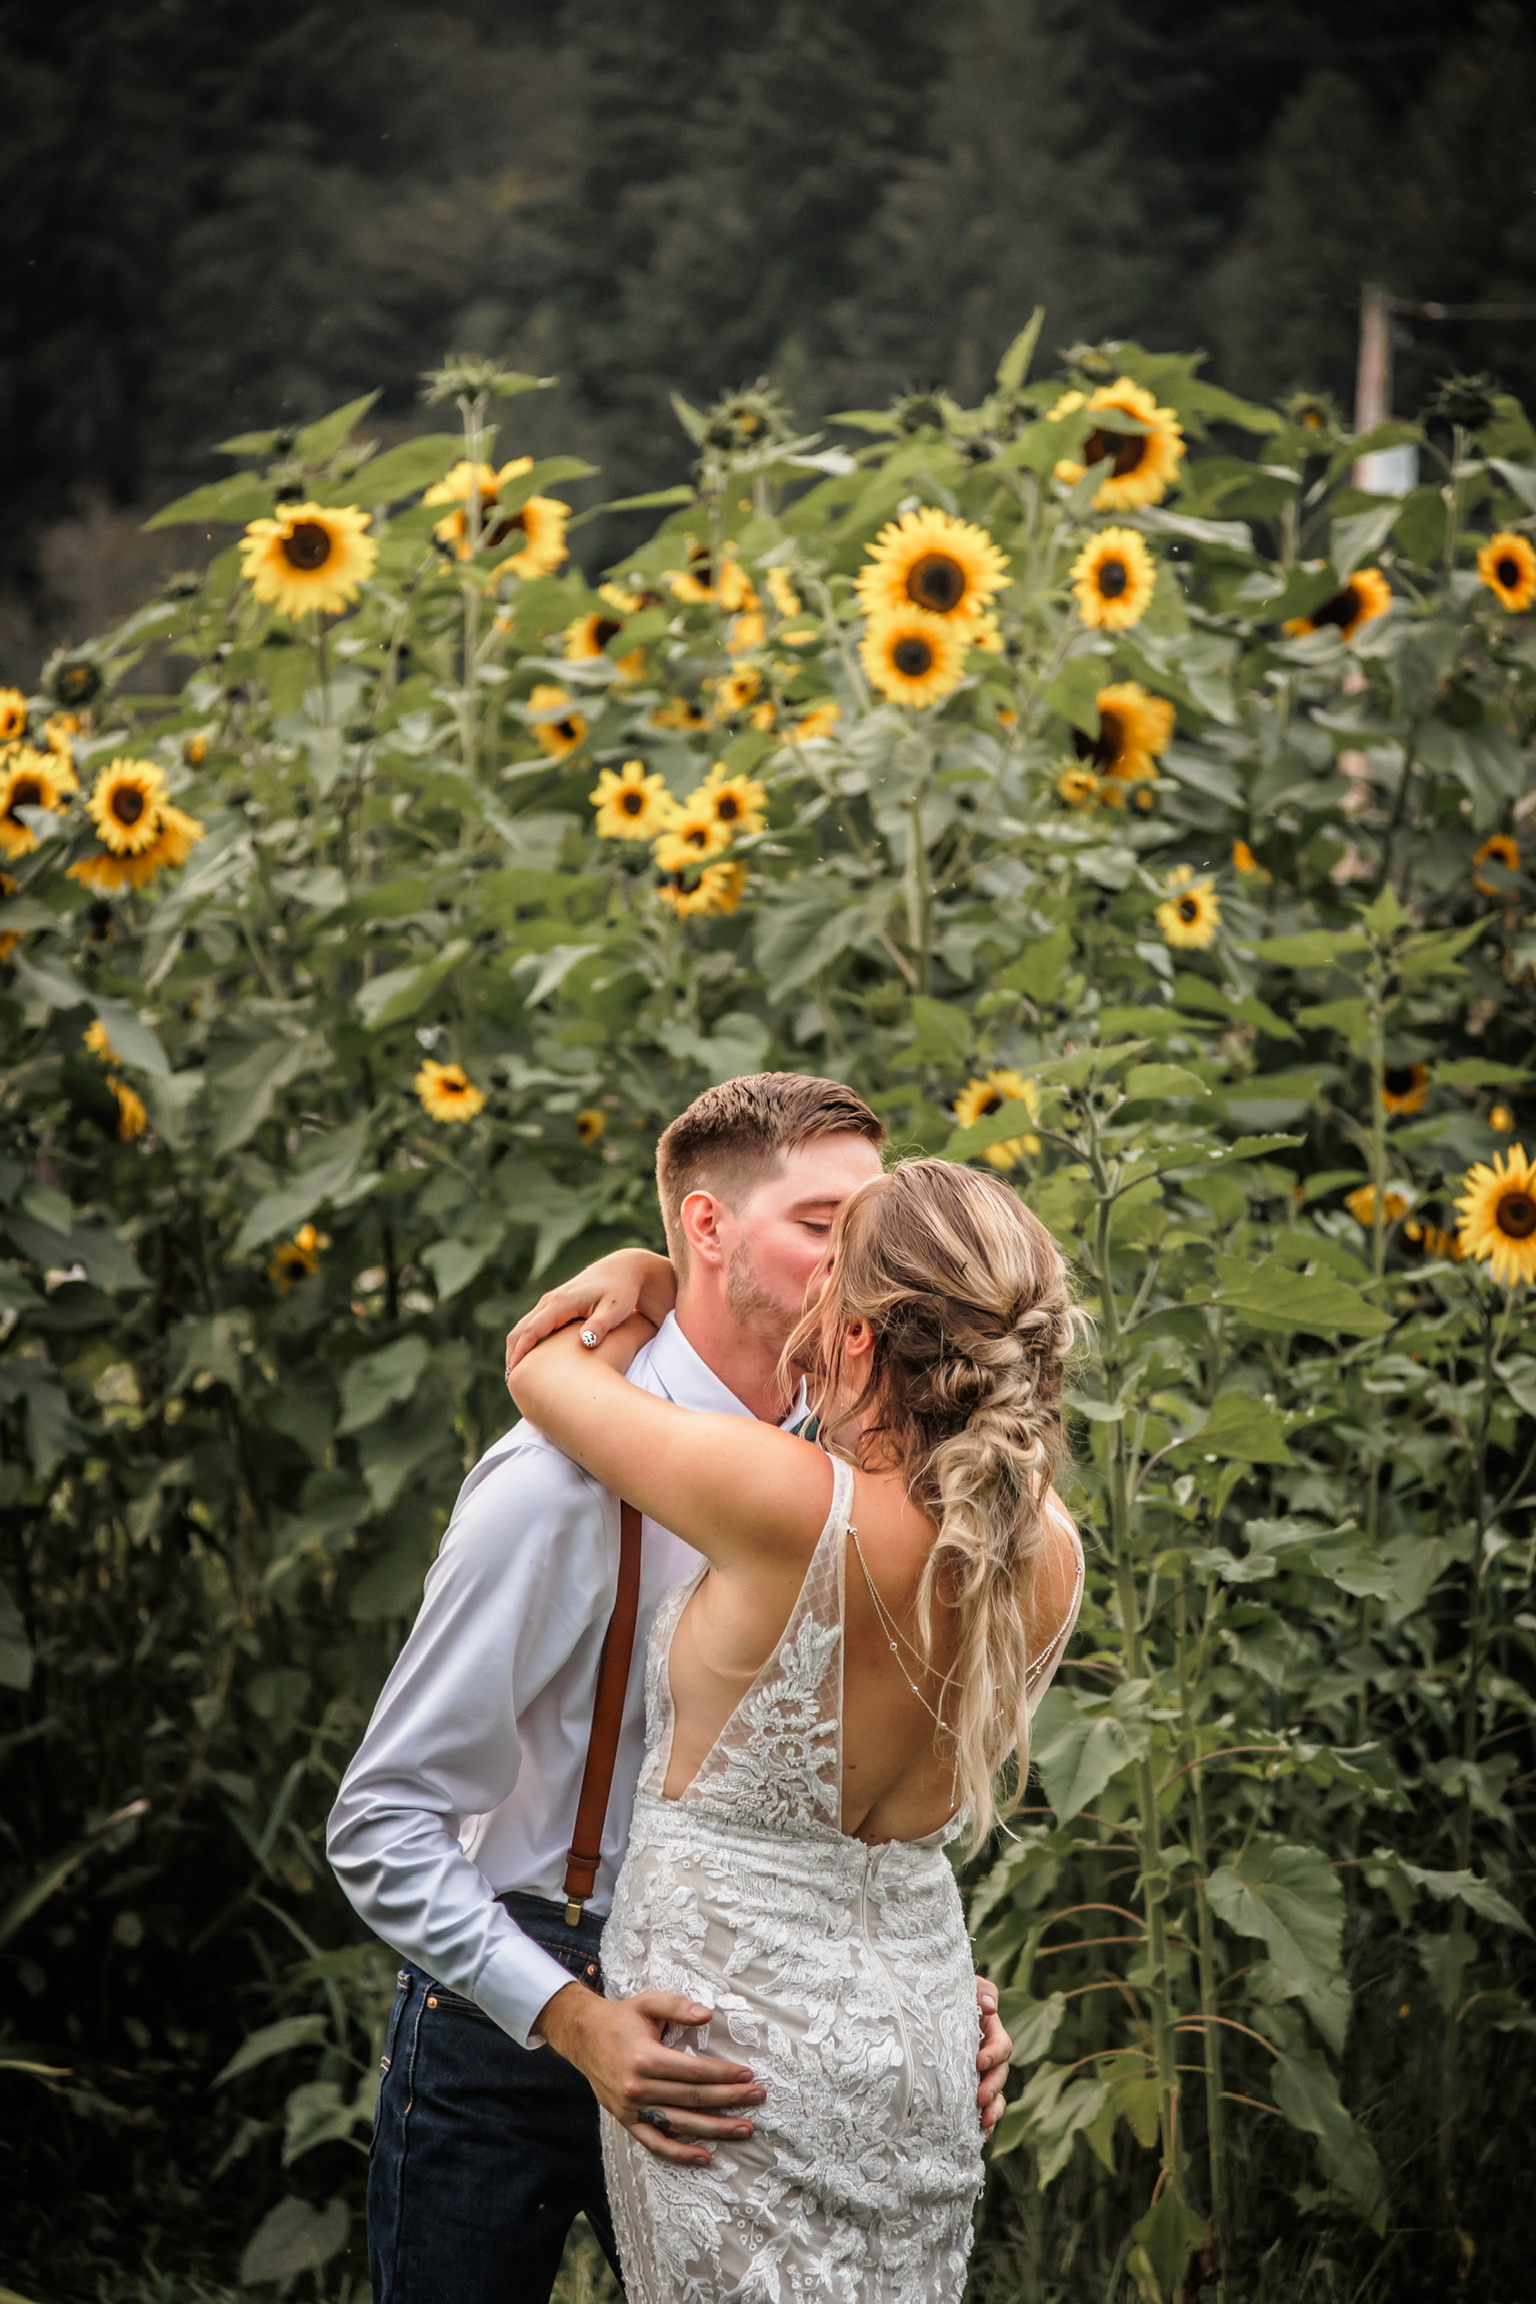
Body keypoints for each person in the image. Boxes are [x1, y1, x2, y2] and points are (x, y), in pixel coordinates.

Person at [327, 1074, 1015, 2304]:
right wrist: (569, 2019)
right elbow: (381, 1822)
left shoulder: (881, 1465)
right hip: (520, 2004)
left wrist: (910, 1994)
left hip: (756, 2027)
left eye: (870, 1229)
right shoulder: (553, 1485)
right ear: (704, 1230)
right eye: (821, 1225)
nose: (863, 1265)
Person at [507, 1153, 1084, 2304]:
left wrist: (648, 1272)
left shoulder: (787, 1502)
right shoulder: (1048, 1551)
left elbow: (542, 1373)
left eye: (833, 1288)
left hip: (733, 2054)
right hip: (924, 2033)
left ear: (864, 1338)